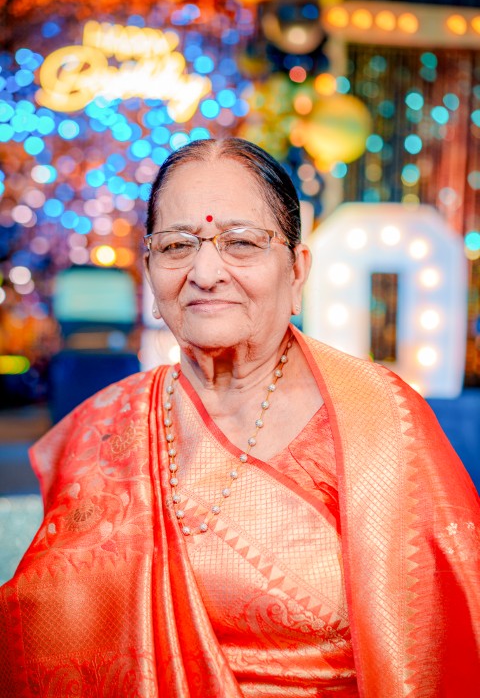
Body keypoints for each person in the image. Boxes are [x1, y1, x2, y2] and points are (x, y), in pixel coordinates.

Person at [0, 138, 479, 697]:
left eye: (242, 242)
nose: (205, 272)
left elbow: (446, 638)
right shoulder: (104, 428)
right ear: (150, 271)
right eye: (177, 245)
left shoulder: (380, 422)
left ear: (296, 271)